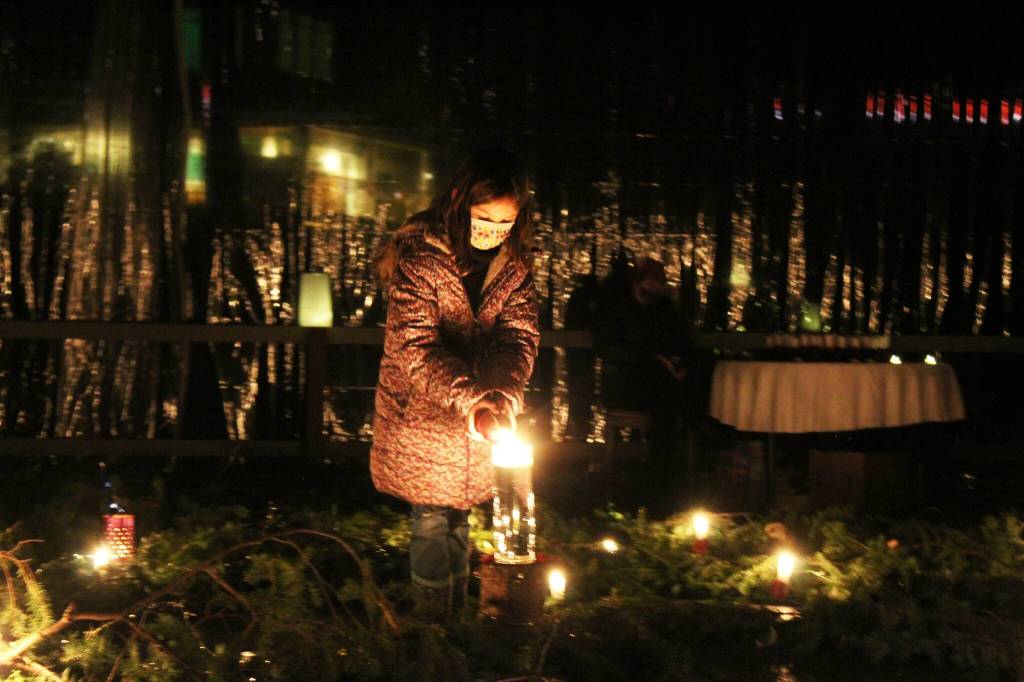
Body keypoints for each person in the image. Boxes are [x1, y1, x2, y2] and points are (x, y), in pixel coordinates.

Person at [370, 147, 540, 620]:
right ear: (459, 202)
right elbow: (414, 346)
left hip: (480, 422)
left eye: (505, 222)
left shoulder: (514, 269)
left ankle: (457, 621)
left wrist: (500, 396)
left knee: (461, 518)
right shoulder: (421, 258)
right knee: (430, 520)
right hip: (422, 418)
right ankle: (432, 627)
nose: (493, 230)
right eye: (485, 218)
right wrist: (474, 399)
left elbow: (518, 338)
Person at [593, 256, 689, 498]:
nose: (654, 290)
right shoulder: (616, 309)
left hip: (658, 385)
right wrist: (650, 357)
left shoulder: (665, 311)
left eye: (659, 285)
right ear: (637, 283)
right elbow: (607, 347)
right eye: (650, 284)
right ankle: (660, 478)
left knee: (672, 393)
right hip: (625, 384)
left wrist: (674, 362)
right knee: (666, 393)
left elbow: (679, 341)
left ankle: (663, 475)